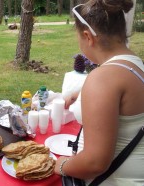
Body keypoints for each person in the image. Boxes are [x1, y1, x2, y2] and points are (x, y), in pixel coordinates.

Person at [54, 0, 144, 185]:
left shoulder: (102, 79)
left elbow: (95, 162)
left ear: (88, 36)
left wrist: (62, 164)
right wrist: (82, 93)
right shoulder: (135, 64)